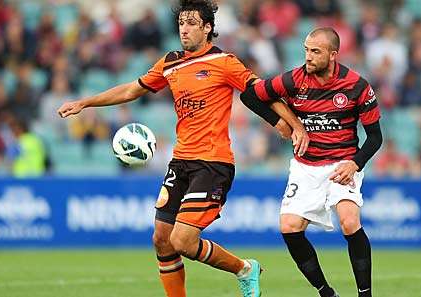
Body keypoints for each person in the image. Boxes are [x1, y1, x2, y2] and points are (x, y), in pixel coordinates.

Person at [57, 1, 308, 296]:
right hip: (180, 162)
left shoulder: (225, 62)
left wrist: (293, 124)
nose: (184, 29)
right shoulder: (170, 62)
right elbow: (130, 90)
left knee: (183, 241)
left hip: (213, 164)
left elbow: (263, 92)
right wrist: (85, 102)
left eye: (191, 23)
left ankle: (245, 268)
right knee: (162, 239)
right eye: (181, 24)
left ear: (207, 28)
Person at [240, 27, 383, 297]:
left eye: (315, 51)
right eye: (306, 49)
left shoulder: (357, 86)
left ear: (333, 55)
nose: (308, 56)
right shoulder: (294, 80)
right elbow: (250, 96)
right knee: (289, 228)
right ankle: (326, 293)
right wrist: (281, 123)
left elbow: (375, 137)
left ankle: (365, 295)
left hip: (342, 163)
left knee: (349, 221)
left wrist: (355, 163)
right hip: (306, 167)